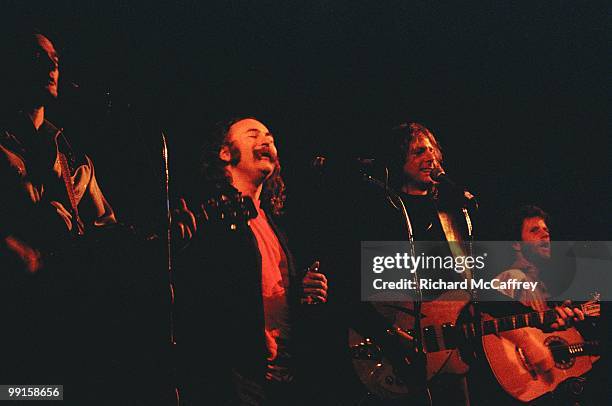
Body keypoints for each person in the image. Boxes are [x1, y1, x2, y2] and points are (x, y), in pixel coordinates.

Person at [174, 116, 328, 405]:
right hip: (235, 379)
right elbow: (200, 295)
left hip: (283, 380)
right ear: (224, 152)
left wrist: (301, 292)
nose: (266, 140)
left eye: (269, 136)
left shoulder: (274, 225)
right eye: (253, 134)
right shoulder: (210, 214)